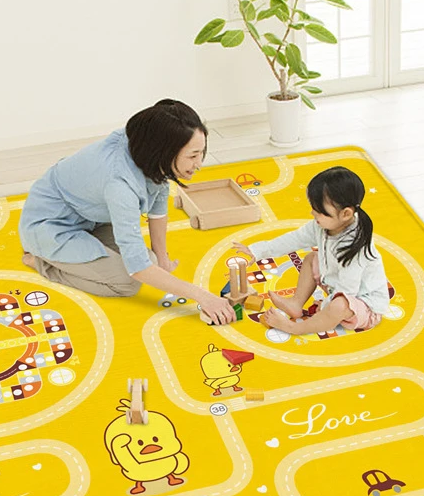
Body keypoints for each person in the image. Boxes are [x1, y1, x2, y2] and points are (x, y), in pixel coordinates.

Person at [19, 99, 236, 325]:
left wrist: (163, 259)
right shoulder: (120, 185)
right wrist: (204, 297)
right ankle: (43, 262)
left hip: (92, 217)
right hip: (51, 226)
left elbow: (159, 196)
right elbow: (138, 269)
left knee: (151, 260)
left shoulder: (145, 144)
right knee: (128, 283)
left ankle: (74, 255)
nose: (199, 164)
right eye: (192, 156)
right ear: (163, 152)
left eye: (201, 153)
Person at [233, 165, 389, 335]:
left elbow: (347, 290)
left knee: (339, 305)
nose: (313, 213)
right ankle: (296, 303)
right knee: (311, 258)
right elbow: (295, 239)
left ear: (345, 214)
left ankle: (294, 328)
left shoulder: (354, 248)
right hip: (334, 284)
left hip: (363, 305)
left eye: (319, 211)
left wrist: (325, 307)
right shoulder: (322, 225)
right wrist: (258, 250)